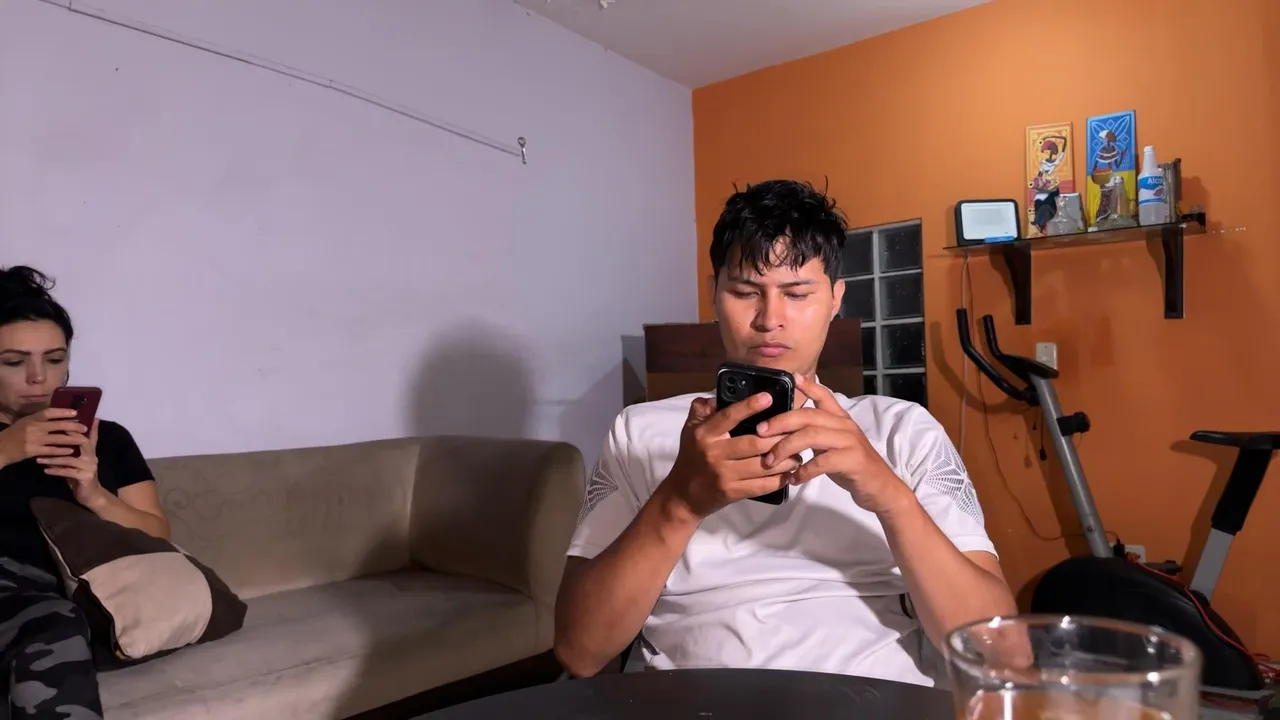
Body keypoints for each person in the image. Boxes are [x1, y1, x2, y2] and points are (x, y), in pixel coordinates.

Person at [554, 180, 1017, 686]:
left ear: (835, 299)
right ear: (713, 295)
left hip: (874, 701)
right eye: (744, 292)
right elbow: (580, 651)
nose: (770, 319)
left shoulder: (904, 431)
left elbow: (1003, 655)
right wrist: (680, 502)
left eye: (797, 294)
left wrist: (889, 496)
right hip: (697, 702)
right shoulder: (639, 433)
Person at [0, 266, 170, 719]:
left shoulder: (107, 438)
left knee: (55, 624)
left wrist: (94, 494)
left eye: (54, 359)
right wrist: (6, 449)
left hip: (70, 602)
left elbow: (158, 535)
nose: (38, 377)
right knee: (52, 626)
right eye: (14, 362)